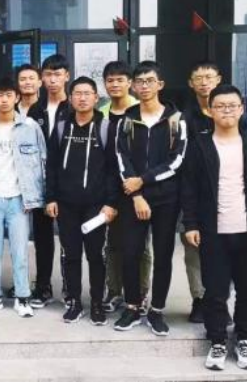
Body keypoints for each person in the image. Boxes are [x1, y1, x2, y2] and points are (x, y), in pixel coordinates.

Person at [181, 84, 247, 371]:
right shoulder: (199, 145)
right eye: (220, 106)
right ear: (210, 110)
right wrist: (190, 224)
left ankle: (245, 339)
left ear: (242, 109)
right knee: (214, 291)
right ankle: (218, 341)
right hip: (213, 232)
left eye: (232, 105)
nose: (226, 111)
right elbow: (189, 189)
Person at [113, 60, 188, 335]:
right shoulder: (126, 119)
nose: (144, 86)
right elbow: (120, 157)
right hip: (133, 198)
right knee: (130, 253)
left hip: (166, 198)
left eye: (149, 81)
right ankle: (132, 306)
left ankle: (157, 310)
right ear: (133, 86)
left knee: (163, 255)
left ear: (160, 85)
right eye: (140, 82)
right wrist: (136, 194)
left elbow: (177, 160)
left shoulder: (176, 120)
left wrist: (143, 180)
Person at [45, 76, 117, 326]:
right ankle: (74, 301)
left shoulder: (106, 128)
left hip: (96, 206)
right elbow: (51, 165)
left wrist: (110, 203)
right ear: (71, 97)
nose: (82, 98)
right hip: (66, 204)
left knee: (96, 255)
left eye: (87, 93)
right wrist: (51, 197)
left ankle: (97, 302)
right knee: (71, 254)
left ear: (96, 98)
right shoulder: (62, 127)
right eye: (77, 93)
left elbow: (113, 169)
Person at [0, 78, 45, 318]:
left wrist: (35, 197)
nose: (4, 100)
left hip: (19, 199)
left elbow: (42, 162)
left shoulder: (30, 127)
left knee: (20, 251)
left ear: (17, 98)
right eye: (0, 95)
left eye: (8, 95)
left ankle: (22, 298)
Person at [98, 61, 152, 315]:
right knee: (113, 243)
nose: (115, 84)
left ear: (130, 83)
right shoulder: (102, 112)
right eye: (110, 80)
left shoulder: (139, 111)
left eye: (120, 80)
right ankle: (114, 290)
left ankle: (140, 293)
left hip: (136, 186)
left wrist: (138, 185)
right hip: (110, 186)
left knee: (141, 246)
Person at [180, 61, 223, 324]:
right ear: (191, 83)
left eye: (209, 77)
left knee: (225, 250)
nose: (204, 82)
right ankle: (199, 298)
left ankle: (219, 300)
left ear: (219, 80)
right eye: (199, 78)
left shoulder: (230, 113)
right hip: (194, 192)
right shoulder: (184, 119)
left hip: (227, 192)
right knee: (194, 248)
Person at [27, 54, 70, 308]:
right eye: (48, 75)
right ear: (42, 78)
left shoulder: (74, 106)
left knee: (69, 238)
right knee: (42, 239)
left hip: (68, 183)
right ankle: (43, 287)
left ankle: (70, 287)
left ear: (66, 76)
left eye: (58, 74)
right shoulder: (36, 109)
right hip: (40, 183)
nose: (53, 80)